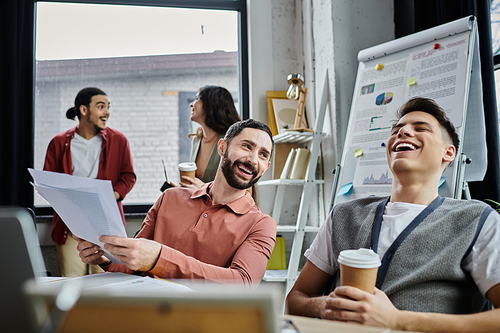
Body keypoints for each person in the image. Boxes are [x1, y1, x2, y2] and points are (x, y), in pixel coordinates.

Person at [286, 97, 500, 332]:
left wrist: (396, 321)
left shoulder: (477, 220)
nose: (403, 132)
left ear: (448, 153)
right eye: (396, 130)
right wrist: (326, 306)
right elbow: (296, 298)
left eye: (420, 128)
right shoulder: (344, 215)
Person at [75, 119, 276, 287]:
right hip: (148, 313)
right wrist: (105, 260)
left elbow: (242, 284)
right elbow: (133, 266)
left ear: (265, 167)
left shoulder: (261, 224)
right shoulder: (169, 198)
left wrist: (159, 258)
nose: (252, 159)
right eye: (246, 146)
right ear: (222, 147)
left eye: (263, 154)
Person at [44, 87, 136, 277]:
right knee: (71, 285)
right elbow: (48, 181)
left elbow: (128, 177)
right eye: (101, 106)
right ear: (83, 110)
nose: (107, 112)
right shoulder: (58, 142)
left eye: (108, 107)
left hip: (106, 223)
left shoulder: (119, 140)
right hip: (69, 224)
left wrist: (107, 197)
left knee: (108, 282)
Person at [181, 85, 241, 188]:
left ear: (211, 105)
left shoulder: (232, 143)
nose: (191, 104)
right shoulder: (196, 140)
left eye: (197, 99)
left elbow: (242, 190)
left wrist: (204, 188)